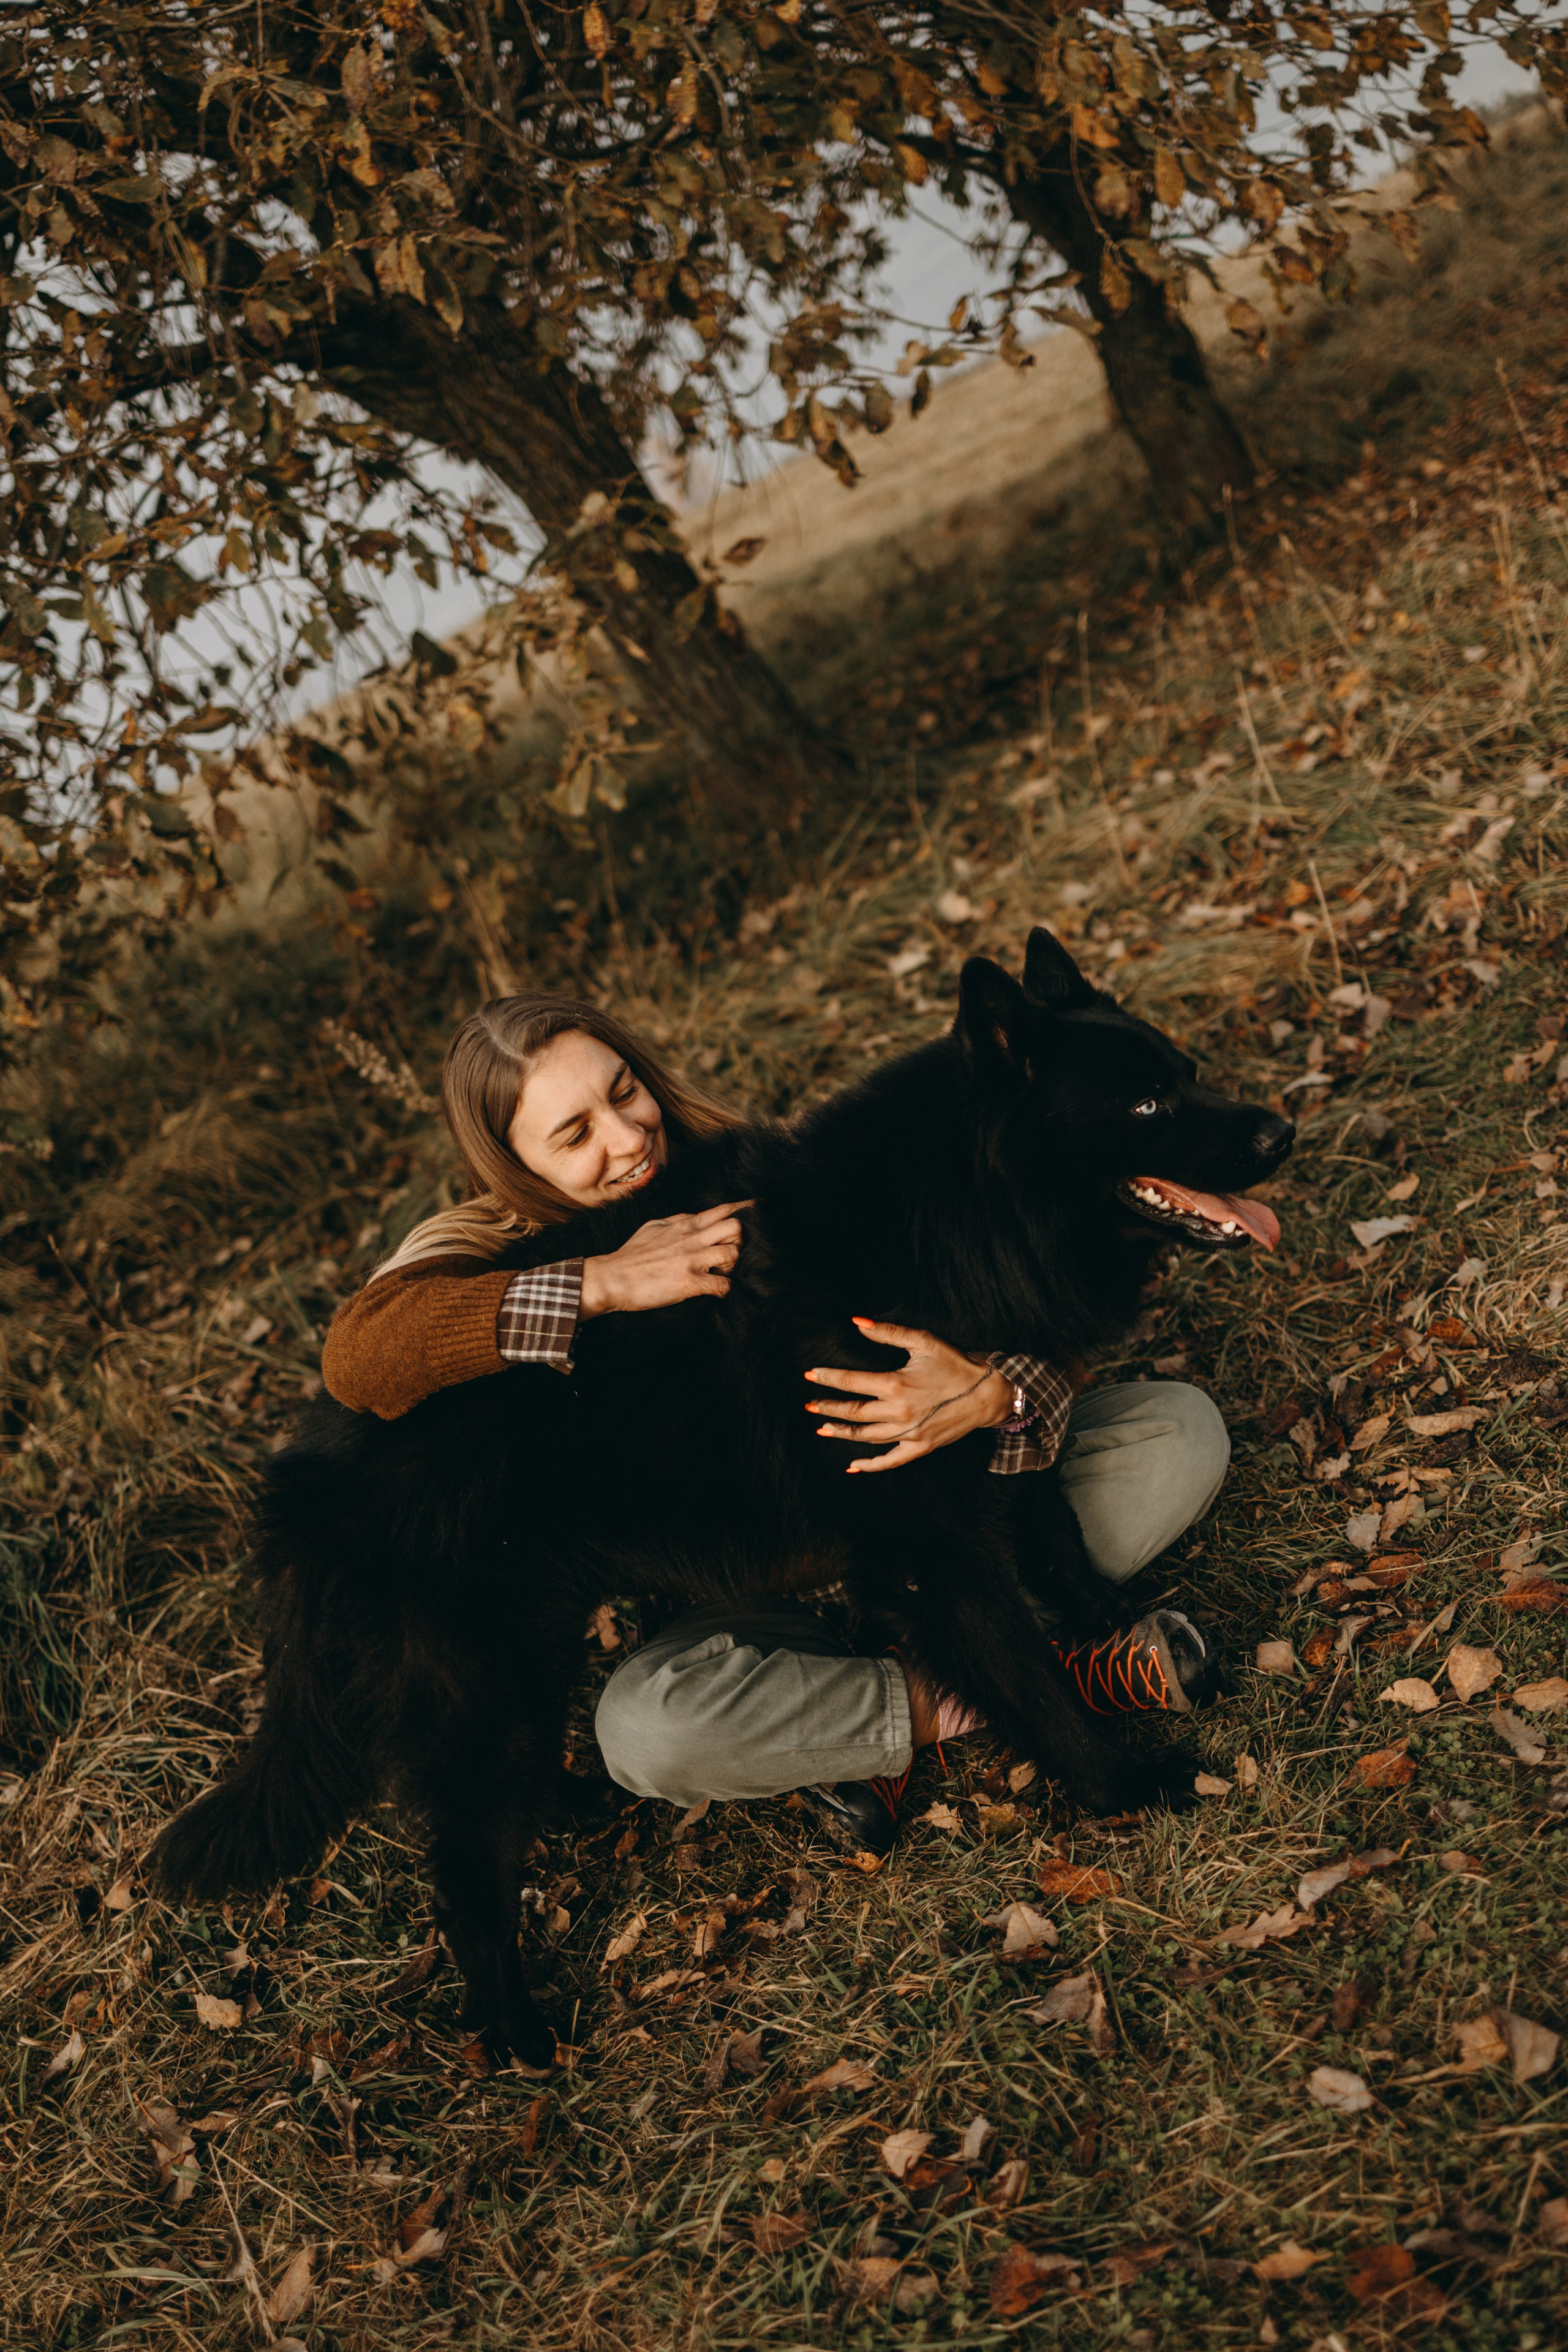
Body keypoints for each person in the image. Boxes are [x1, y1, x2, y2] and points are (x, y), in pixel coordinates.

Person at [323, 993, 1229, 1852]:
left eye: (623, 1091)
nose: (627, 1135)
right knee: (647, 1730)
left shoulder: (744, 1159)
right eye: (574, 1134)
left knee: (1177, 1432)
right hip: (756, 1594)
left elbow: (1013, 1296)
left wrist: (995, 1390)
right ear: (517, 1169)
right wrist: (602, 1283)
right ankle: (991, 1695)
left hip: (940, 1521)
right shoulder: (485, 1245)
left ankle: (905, 1710)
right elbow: (361, 1357)